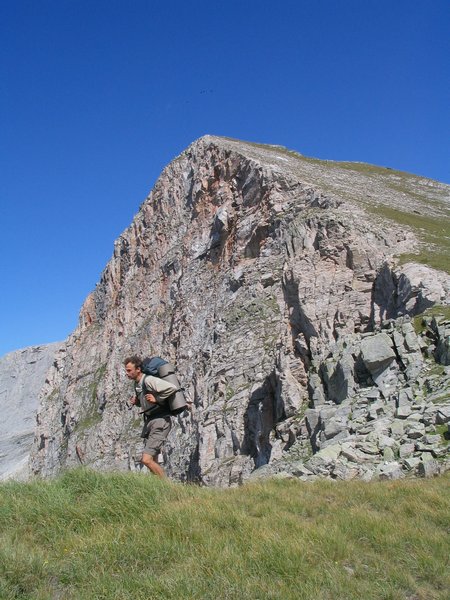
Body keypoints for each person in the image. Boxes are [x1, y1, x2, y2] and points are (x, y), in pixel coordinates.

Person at [124, 356, 177, 478]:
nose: (127, 373)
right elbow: (146, 400)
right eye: (126, 370)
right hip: (151, 421)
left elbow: (172, 388)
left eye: (129, 370)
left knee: (146, 459)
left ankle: (168, 487)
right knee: (153, 459)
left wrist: (157, 398)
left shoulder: (149, 380)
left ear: (138, 369)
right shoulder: (137, 384)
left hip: (160, 421)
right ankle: (158, 488)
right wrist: (136, 402)